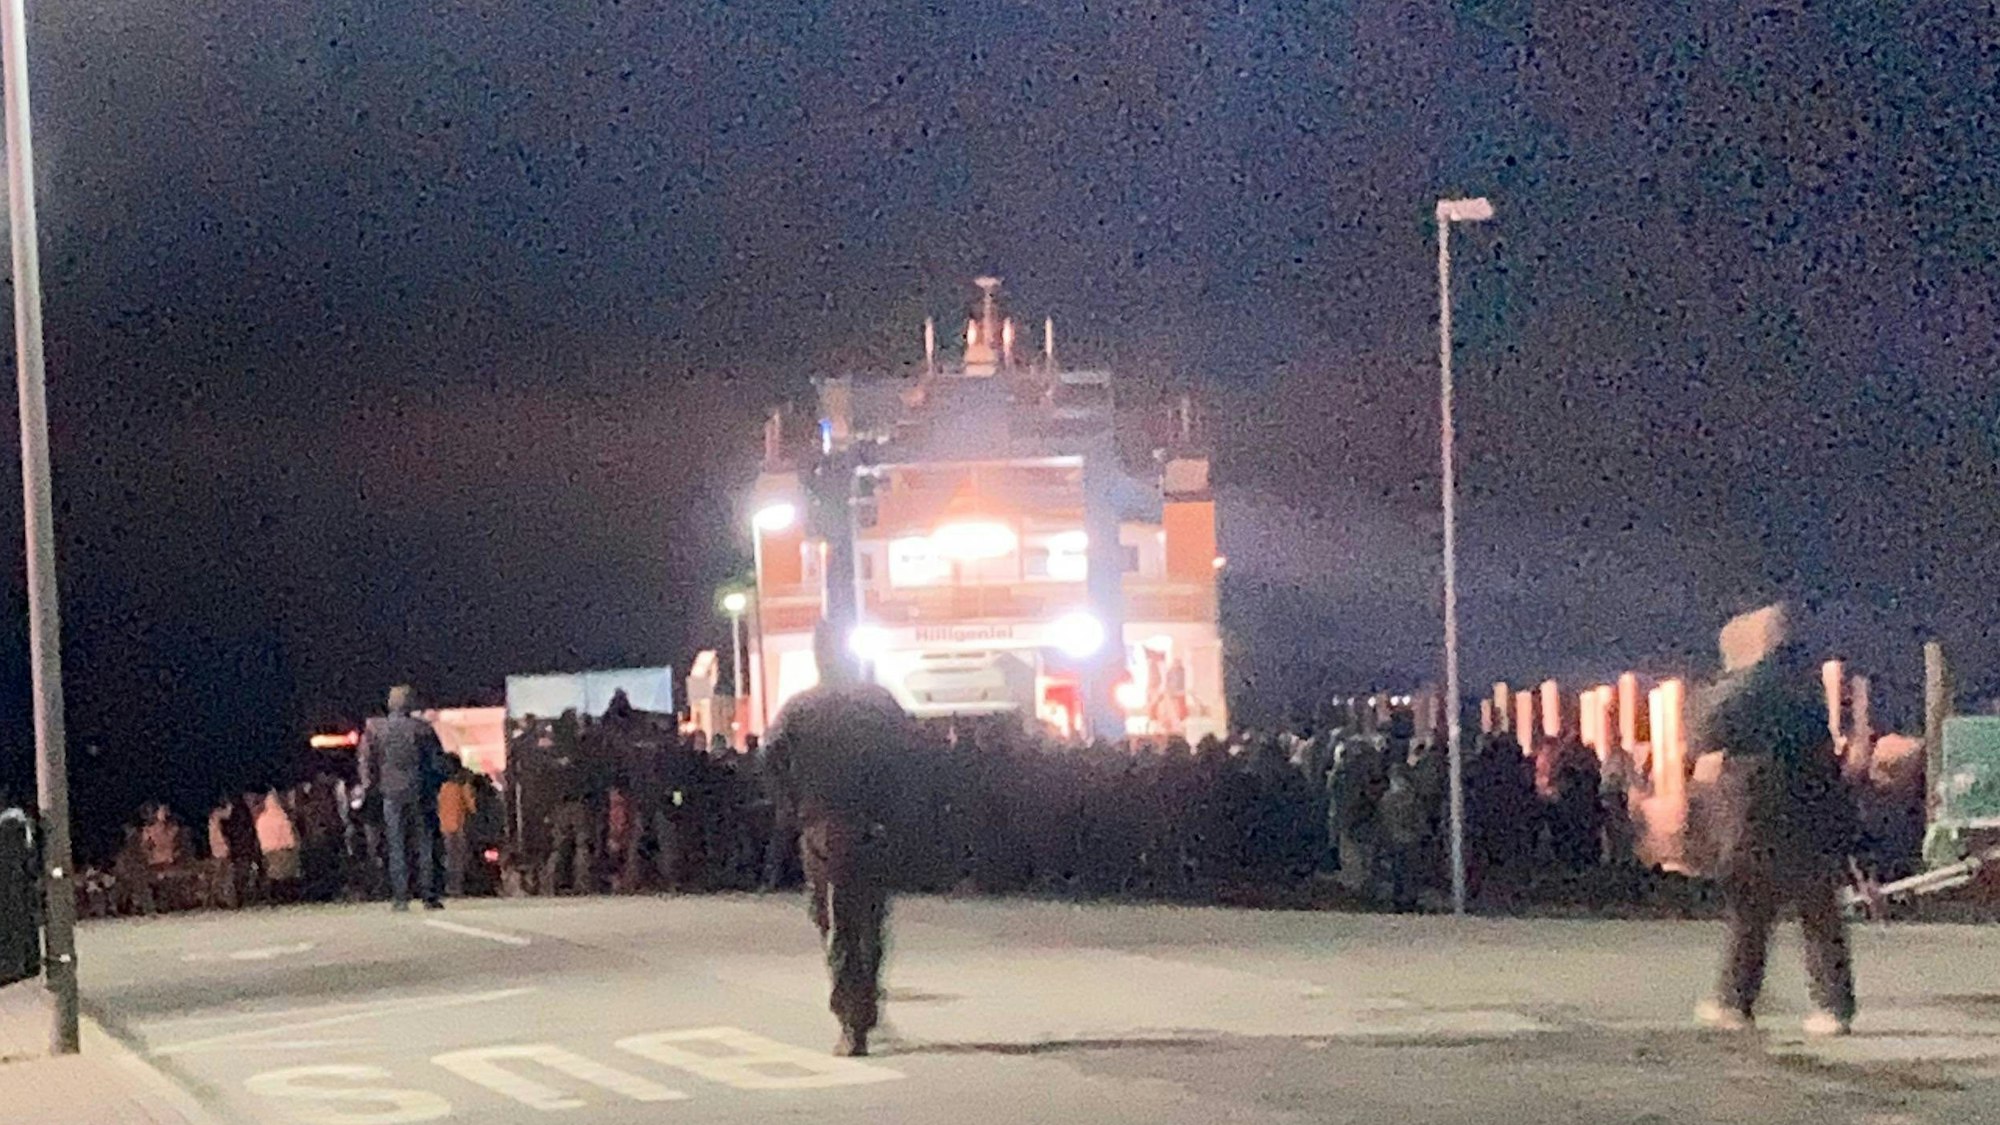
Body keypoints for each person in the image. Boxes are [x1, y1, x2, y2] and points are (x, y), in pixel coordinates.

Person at [1689, 603, 1857, 1037]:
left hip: (1760, 811)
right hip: (1812, 809)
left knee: (1751, 912)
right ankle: (1833, 1006)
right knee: (1819, 915)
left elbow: (1706, 730)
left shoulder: (1749, 687)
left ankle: (1736, 1001)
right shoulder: (1807, 687)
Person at [764, 626, 916, 1057]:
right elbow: (915, 759)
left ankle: (853, 1018)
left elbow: (769, 759)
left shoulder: (801, 708)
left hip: (825, 826)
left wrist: (792, 807)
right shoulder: (880, 702)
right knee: (870, 920)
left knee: (837, 923)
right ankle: (864, 1000)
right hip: (875, 825)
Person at [358, 684, 446, 911]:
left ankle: (400, 897)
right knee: (424, 842)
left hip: (390, 792)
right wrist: (434, 785)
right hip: (419, 790)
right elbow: (437, 762)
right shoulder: (422, 729)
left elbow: (366, 761)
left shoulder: (375, 729)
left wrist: (369, 787)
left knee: (396, 843)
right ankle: (428, 894)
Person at [437, 756, 478, 898]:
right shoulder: (461, 786)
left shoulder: (441, 785)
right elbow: (471, 807)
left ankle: (443, 887)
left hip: (442, 825)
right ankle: (455, 889)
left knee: (446, 858)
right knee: (457, 859)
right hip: (457, 827)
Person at [256, 790, 302, 904]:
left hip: (268, 851)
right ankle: (285, 898)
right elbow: (287, 833)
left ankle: (272, 898)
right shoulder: (281, 817)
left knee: (273, 874)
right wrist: (292, 845)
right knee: (286, 876)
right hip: (283, 850)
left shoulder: (261, 818)